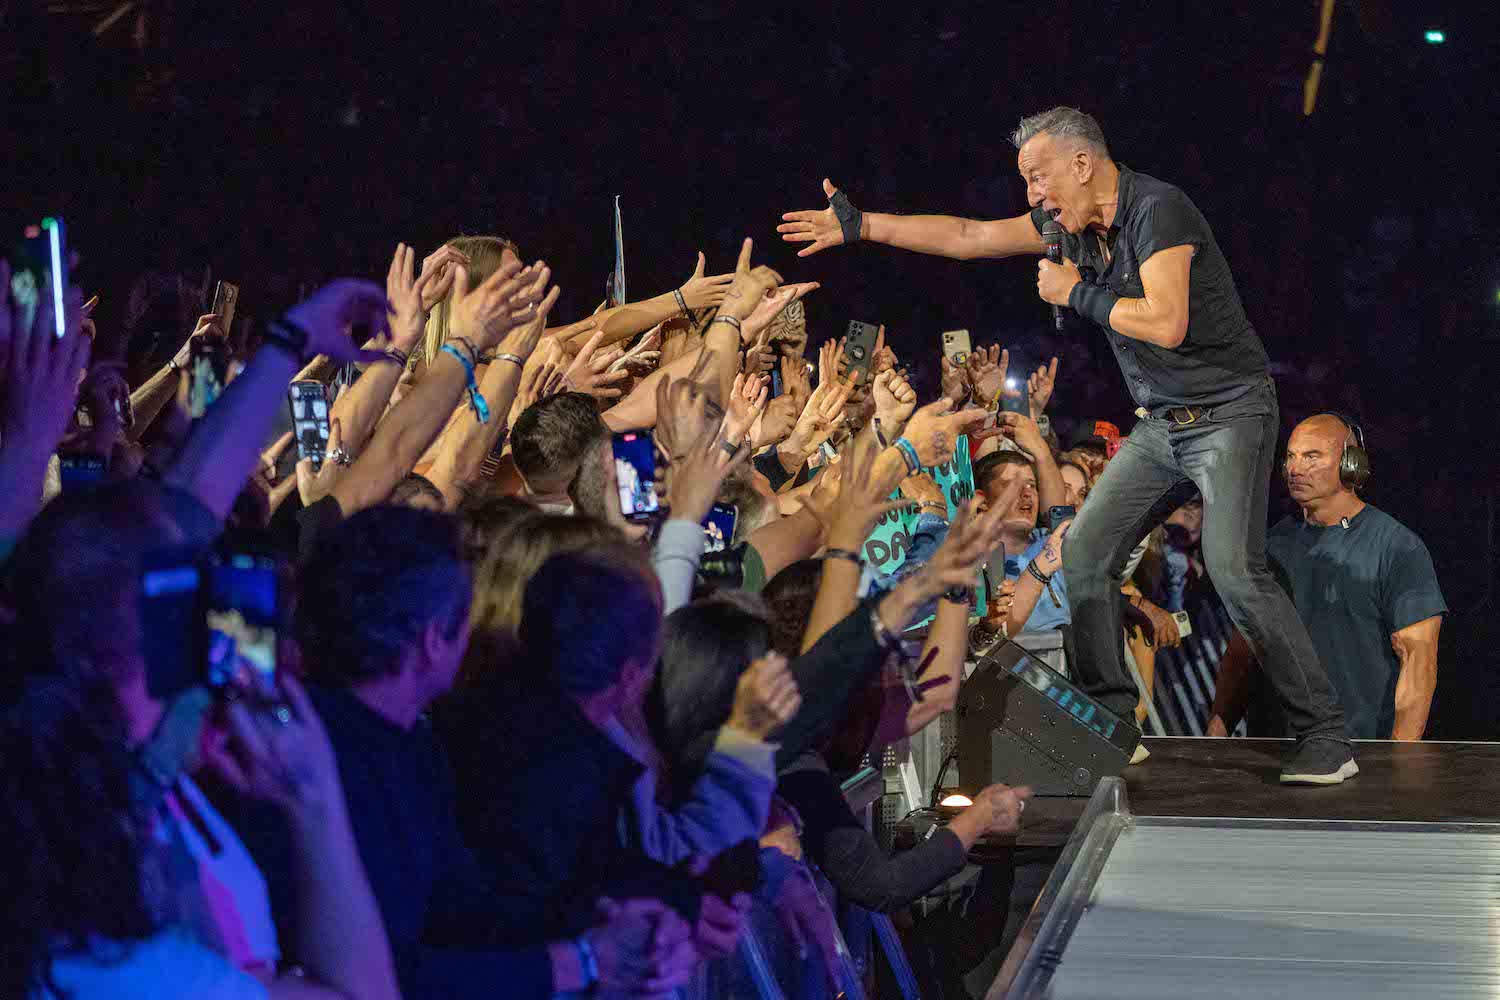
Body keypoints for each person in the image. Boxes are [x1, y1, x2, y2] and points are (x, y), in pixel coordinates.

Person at [779, 105, 1355, 783]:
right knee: (1084, 553)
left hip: (1229, 412)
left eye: (1038, 177)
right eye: (1026, 183)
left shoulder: (1159, 212)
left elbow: (1167, 322)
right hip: (1163, 423)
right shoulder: (1065, 224)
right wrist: (864, 225)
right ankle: (1114, 719)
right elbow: (969, 236)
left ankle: (1325, 737)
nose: (1032, 196)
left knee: (1233, 567)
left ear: (1082, 165)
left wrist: (1075, 291)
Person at [226, 506, 697, 999]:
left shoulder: (409, 746)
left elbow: (472, 908)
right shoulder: (309, 757)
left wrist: (644, 912)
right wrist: (575, 962)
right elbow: (386, 972)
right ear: (435, 641)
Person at [1208, 414, 1445, 743]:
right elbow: (1243, 649)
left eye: (1312, 456)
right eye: (1291, 456)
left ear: (1351, 464)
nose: (1295, 469)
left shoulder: (1397, 547)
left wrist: (1400, 758)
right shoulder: (1270, 546)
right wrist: (1214, 736)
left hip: (1361, 751)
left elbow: (1418, 657)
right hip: (1274, 750)